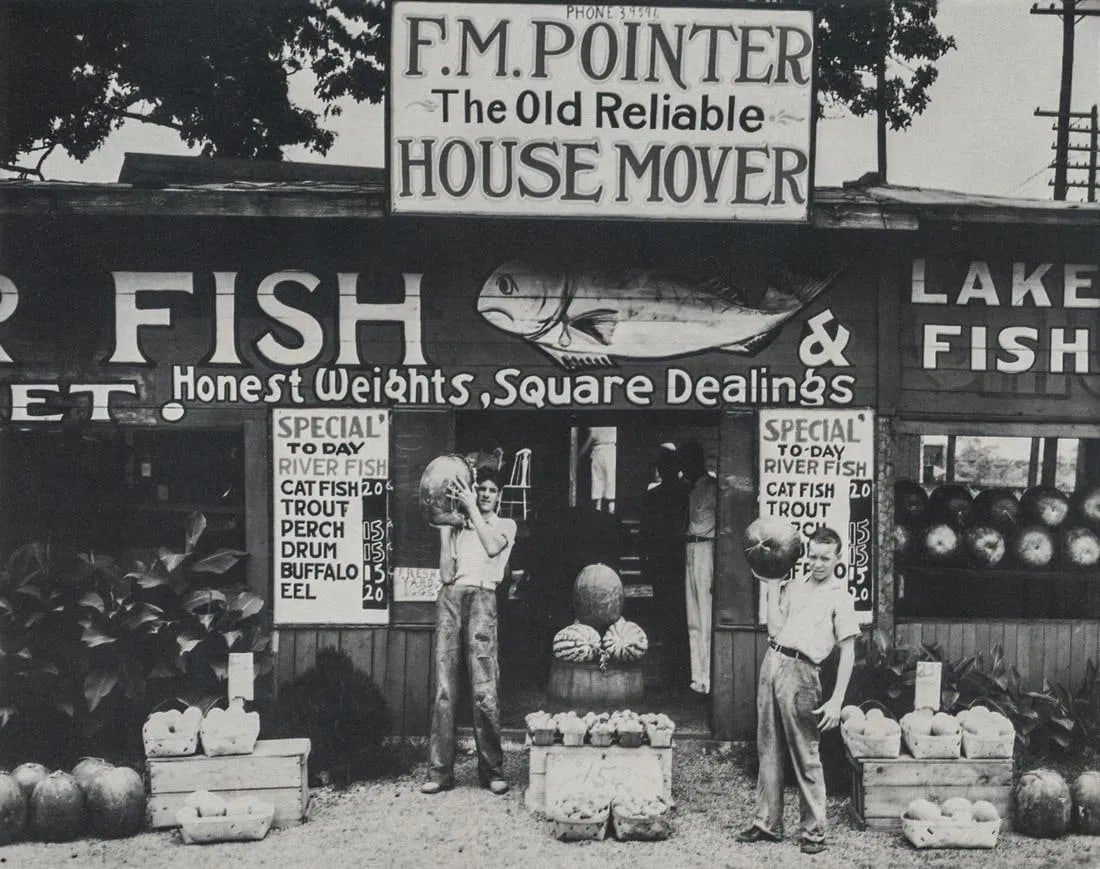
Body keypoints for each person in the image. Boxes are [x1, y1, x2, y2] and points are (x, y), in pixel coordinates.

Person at [738, 526, 859, 855]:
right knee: (768, 746)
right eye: (813, 556)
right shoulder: (794, 586)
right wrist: (773, 586)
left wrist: (836, 701)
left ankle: (814, 831)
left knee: (806, 753)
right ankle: (767, 823)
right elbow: (775, 628)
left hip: (804, 672)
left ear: (838, 558)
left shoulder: (841, 597)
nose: (818, 564)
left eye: (825, 558)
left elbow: (848, 651)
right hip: (773, 661)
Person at [421, 468, 517, 796]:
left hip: (483, 598)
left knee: (484, 689)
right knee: (445, 689)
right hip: (451, 598)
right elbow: (447, 574)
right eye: (482, 489)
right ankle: (439, 772)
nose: (487, 494)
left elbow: (492, 548)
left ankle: (492, 771)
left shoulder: (505, 525)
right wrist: (446, 528)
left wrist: (470, 509)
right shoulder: (460, 527)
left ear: (500, 496)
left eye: (493, 490)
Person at [640, 445, 689, 693]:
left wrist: (644, 564)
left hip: (663, 562)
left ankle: (671, 673)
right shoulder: (686, 493)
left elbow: (644, 535)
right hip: (679, 562)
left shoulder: (653, 496)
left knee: (666, 616)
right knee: (681, 616)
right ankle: (680, 672)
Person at [681, 441, 716, 694]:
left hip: (707, 548)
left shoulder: (713, 488)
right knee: (693, 616)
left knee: (705, 614)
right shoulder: (691, 490)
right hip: (691, 548)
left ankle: (709, 677)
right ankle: (698, 678)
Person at [580, 426, 617, 514]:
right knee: (606, 479)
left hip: (605, 451)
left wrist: (579, 455)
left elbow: (590, 439)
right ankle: (601, 507)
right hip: (603, 451)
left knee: (602, 479)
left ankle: (606, 507)